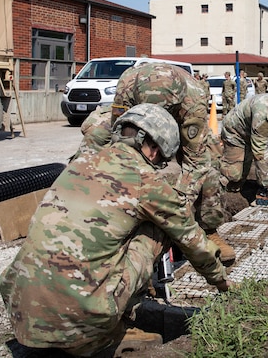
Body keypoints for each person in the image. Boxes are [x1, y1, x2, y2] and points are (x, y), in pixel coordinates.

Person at [0, 104, 232, 356]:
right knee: (160, 227)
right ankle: (104, 335)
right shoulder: (145, 180)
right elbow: (191, 239)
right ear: (154, 148)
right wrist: (221, 282)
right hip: (81, 319)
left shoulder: (80, 164)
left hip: (20, 311)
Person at [78, 62, 235, 263]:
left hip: (178, 126)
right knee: (97, 133)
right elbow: (121, 141)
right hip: (138, 123)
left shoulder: (194, 98)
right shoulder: (127, 85)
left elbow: (195, 161)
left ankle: (209, 228)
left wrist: (179, 211)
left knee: (209, 166)